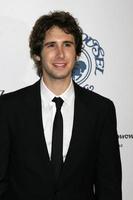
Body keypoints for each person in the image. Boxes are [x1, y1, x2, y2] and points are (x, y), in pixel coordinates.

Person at [0, 11, 122, 200]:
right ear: (37, 54)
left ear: (77, 53)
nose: (60, 54)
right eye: (51, 45)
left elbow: (110, 186)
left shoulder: (101, 110)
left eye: (67, 44)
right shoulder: (8, 108)